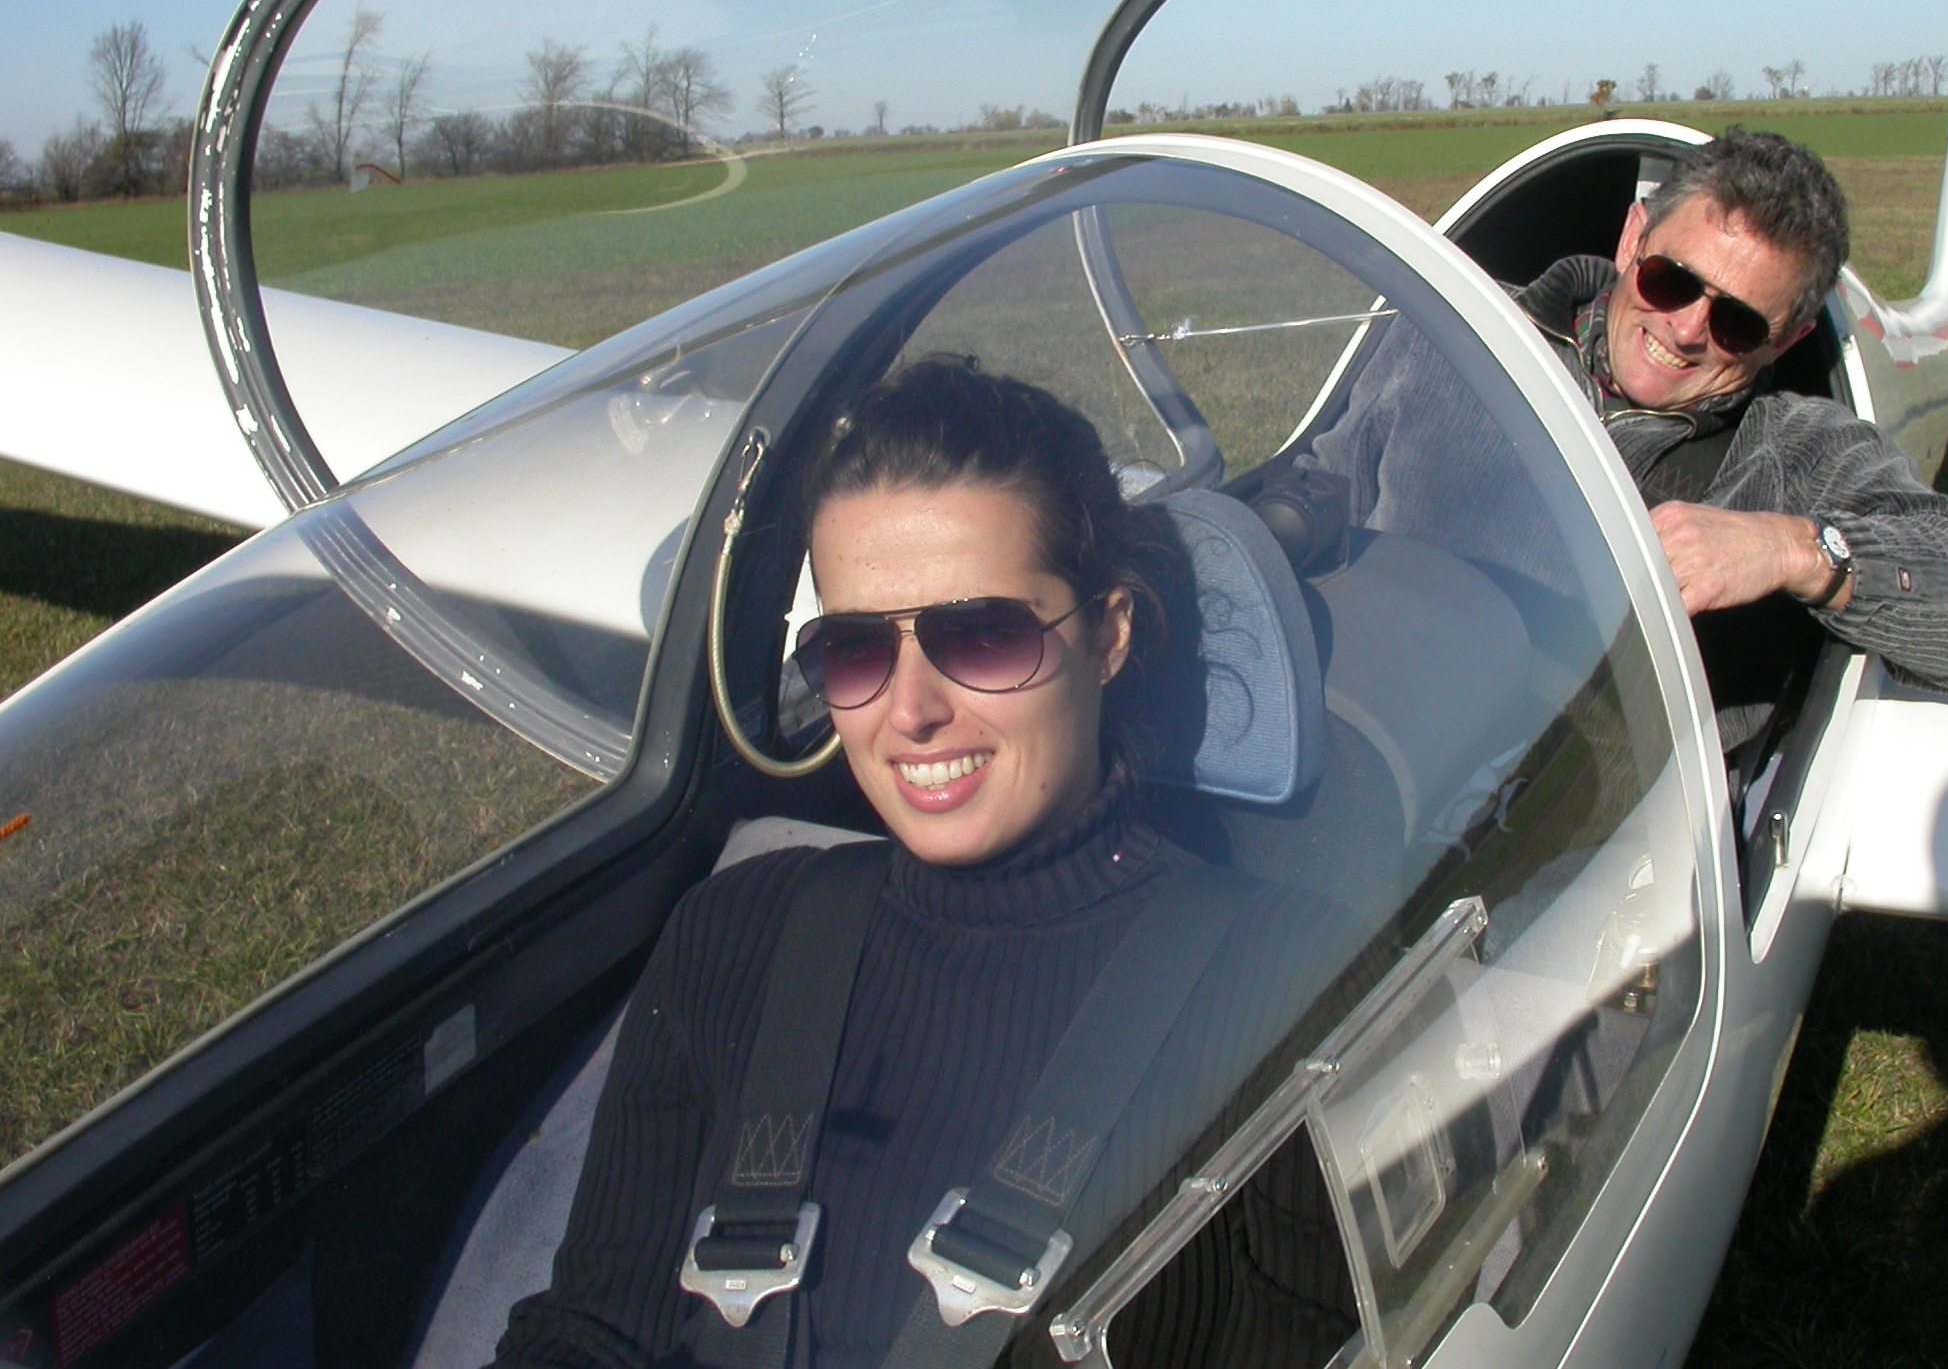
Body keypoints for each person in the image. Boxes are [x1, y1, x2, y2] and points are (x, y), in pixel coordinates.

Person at [490, 356, 1356, 1369]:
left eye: (980, 637)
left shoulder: (1289, 989)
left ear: (1108, 636)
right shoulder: (734, 934)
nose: (909, 712)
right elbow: (595, 1334)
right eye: (855, 651)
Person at [1305, 128, 1948, 751]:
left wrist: (1791, 550)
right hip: (1377, 745)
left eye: (1738, 323)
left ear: (1790, 341)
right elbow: (1315, 490)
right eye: (1671, 280)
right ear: (1631, 240)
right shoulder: (1455, 335)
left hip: (1595, 845)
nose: (1684, 330)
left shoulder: (1796, 450)